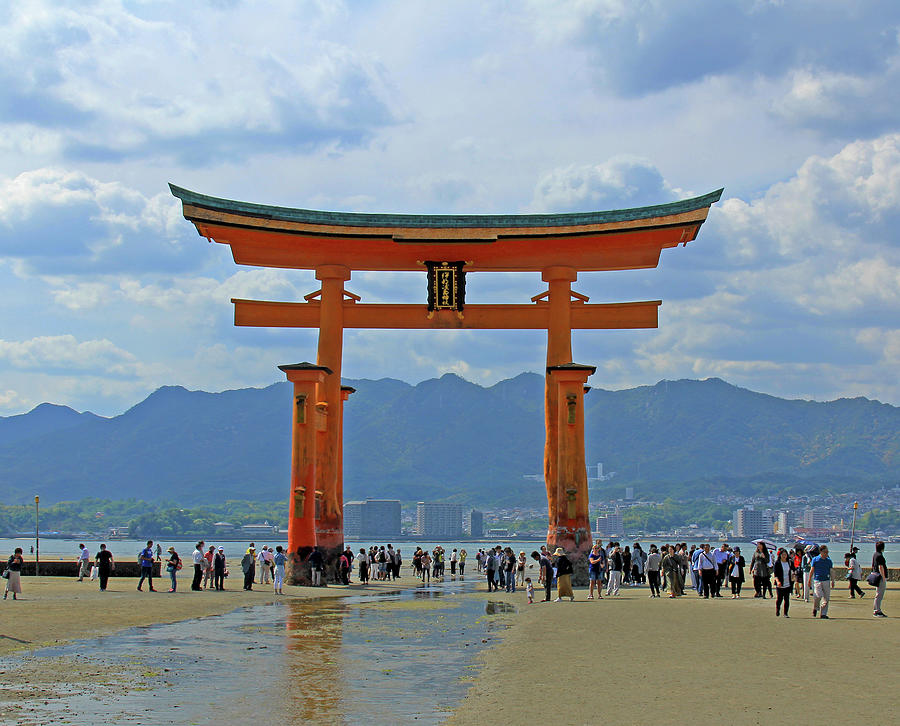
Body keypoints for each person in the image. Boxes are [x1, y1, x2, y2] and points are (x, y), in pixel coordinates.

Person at [808, 544, 835, 619]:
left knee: (826, 598)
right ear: (821, 552)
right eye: (825, 552)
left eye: (827, 552)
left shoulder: (829, 561)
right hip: (817, 580)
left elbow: (831, 571)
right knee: (818, 595)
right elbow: (812, 570)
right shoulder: (815, 559)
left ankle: (823, 614)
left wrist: (833, 581)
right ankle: (815, 608)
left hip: (826, 580)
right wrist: (809, 580)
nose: (826, 553)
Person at [773, 548, 793, 617]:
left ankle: (785, 613)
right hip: (780, 584)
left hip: (788, 583)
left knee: (787, 599)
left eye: (785, 554)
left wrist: (794, 576)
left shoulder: (789, 562)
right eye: (783, 554)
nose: (784, 556)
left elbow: (793, 570)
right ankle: (777, 610)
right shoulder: (777, 563)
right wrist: (778, 581)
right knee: (779, 599)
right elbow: (775, 574)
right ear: (780, 555)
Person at [871, 541, 887, 617]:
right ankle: (877, 610)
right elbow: (881, 567)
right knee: (879, 594)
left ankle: (877, 609)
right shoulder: (880, 556)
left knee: (878, 594)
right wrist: (883, 577)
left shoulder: (875, 554)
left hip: (876, 575)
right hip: (880, 577)